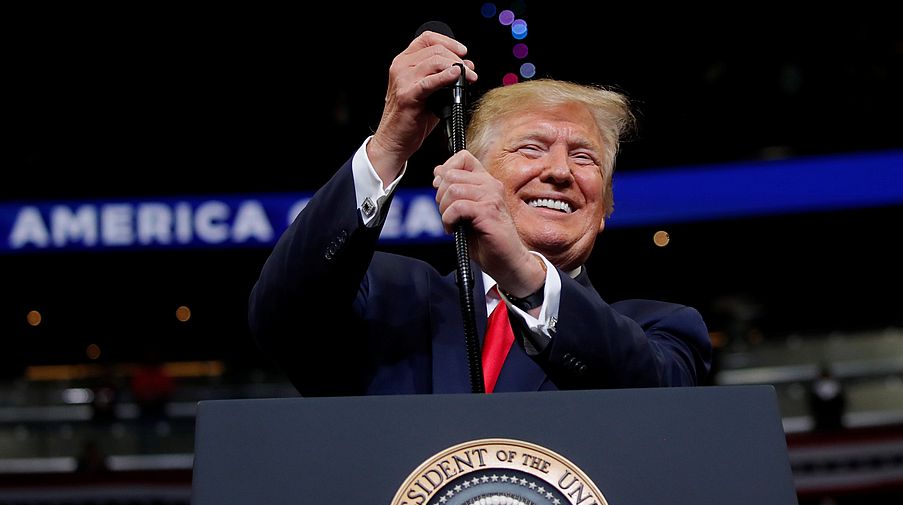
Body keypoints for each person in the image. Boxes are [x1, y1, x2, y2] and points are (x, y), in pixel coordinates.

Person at [249, 30, 712, 396]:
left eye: (584, 158)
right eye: (532, 148)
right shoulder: (387, 299)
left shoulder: (663, 330)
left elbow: (660, 404)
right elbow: (280, 314)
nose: (559, 171)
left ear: (605, 206)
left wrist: (522, 274)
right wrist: (390, 145)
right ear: (472, 174)